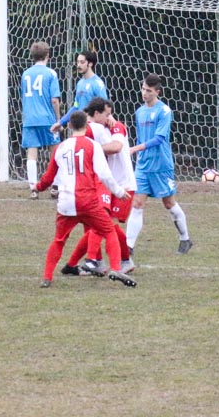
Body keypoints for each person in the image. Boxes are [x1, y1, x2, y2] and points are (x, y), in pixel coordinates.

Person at [34, 110, 136, 288]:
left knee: (59, 240)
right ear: (86, 125)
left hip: (66, 203)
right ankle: (115, 268)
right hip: (88, 202)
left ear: (69, 125)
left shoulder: (60, 148)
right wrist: (119, 192)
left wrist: (38, 187)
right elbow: (105, 175)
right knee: (109, 231)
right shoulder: (93, 146)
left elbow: (49, 177)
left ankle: (47, 277)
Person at [60, 97, 135, 276]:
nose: (110, 118)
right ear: (96, 113)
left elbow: (116, 147)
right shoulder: (94, 128)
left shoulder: (116, 127)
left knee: (104, 224)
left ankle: (94, 261)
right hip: (107, 184)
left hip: (123, 184)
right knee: (100, 224)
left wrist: (91, 149)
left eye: (110, 114)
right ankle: (101, 261)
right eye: (107, 114)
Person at [126, 73, 193, 255]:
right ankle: (128, 247)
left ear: (157, 92)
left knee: (169, 203)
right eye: (143, 89)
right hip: (143, 166)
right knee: (137, 203)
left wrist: (135, 149)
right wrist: (138, 154)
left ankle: (185, 239)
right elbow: (141, 137)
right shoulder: (139, 112)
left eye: (149, 91)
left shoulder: (164, 111)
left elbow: (159, 139)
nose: (144, 93)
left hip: (161, 165)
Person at [21, 41, 62, 200]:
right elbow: (54, 100)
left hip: (29, 119)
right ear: (47, 55)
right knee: (55, 152)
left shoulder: (25, 74)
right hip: (47, 118)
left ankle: (33, 188)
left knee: (32, 153)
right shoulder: (51, 73)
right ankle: (55, 187)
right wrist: (58, 119)